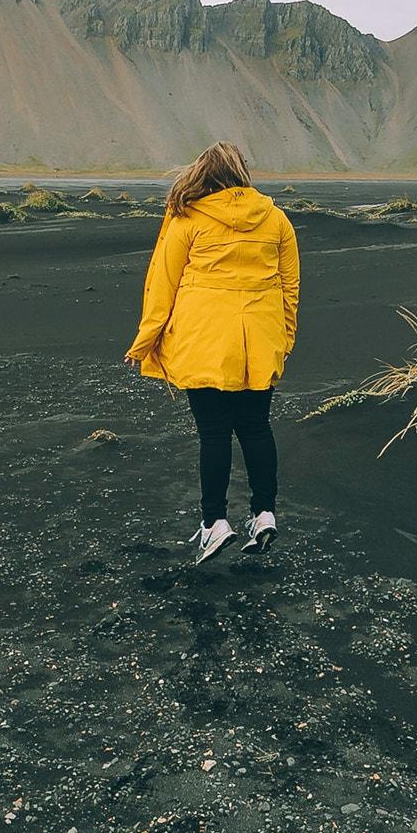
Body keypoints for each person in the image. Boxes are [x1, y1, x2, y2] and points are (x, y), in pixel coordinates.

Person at [126, 141, 299, 564]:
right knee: (257, 427)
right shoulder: (276, 220)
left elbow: (162, 285)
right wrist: (283, 337)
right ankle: (264, 514)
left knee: (215, 433)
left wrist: (144, 341)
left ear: (203, 173)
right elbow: (289, 289)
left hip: (204, 340)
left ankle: (214, 523)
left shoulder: (187, 220)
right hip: (259, 338)